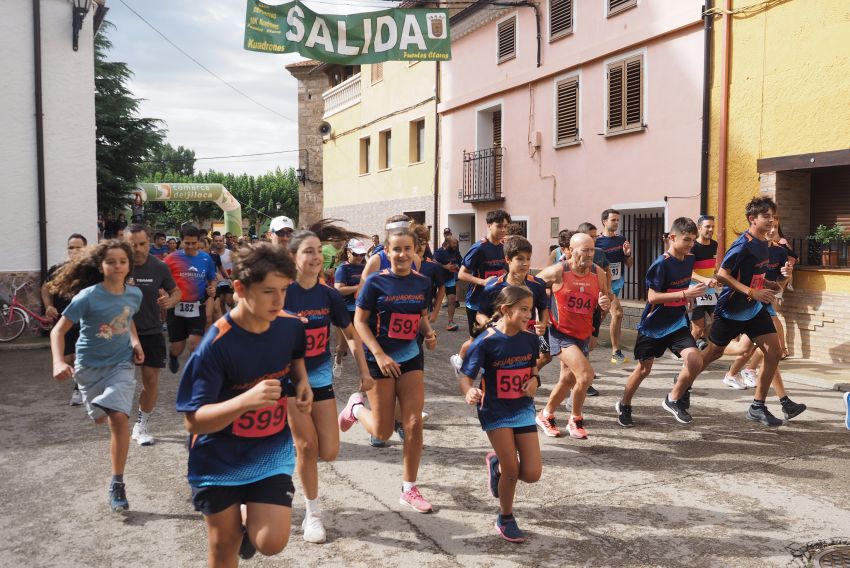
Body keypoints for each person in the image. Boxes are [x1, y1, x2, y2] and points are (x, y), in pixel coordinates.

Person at [176, 244, 313, 565]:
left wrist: (302, 382)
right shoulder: (215, 345)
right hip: (217, 458)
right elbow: (194, 421)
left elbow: (295, 356)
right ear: (239, 288)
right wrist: (245, 402)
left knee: (272, 541)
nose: (279, 301)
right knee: (224, 545)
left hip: (270, 449)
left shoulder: (289, 325)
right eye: (268, 292)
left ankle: (248, 524)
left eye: (284, 290)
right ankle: (235, 523)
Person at [283, 222, 374, 544]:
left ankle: (351, 408)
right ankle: (312, 514)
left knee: (330, 451)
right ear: (293, 256)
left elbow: (351, 336)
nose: (316, 257)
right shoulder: (281, 292)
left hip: (320, 378)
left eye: (318, 251)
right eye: (308, 252)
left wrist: (363, 372)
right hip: (288, 380)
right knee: (306, 447)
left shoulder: (329, 296)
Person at [338, 224, 438, 513]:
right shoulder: (375, 283)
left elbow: (419, 315)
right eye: (397, 249)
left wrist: (429, 333)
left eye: (408, 248)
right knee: (382, 432)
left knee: (413, 423)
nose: (403, 254)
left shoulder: (421, 282)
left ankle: (409, 488)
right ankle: (355, 409)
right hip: (379, 357)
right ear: (386, 252)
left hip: (410, 356)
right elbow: (359, 322)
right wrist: (379, 355)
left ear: (414, 250)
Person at [49, 240, 144, 512]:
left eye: (122, 261)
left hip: (121, 364)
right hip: (89, 368)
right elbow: (58, 331)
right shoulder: (88, 296)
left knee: (118, 417)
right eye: (111, 261)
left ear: (129, 265)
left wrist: (135, 342)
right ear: (101, 266)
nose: (117, 266)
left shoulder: (134, 295)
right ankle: (99, 406)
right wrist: (58, 361)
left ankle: (117, 482)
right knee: (101, 418)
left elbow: (128, 320)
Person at [697, 197, 795, 426]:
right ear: (753, 219)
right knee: (714, 353)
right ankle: (685, 379)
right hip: (732, 307)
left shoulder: (769, 247)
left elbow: (775, 283)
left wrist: (781, 278)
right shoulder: (743, 244)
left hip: (755, 307)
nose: (772, 221)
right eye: (767, 217)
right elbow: (722, 274)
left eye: (773, 217)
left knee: (774, 351)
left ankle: (758, 406)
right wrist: (752, 292)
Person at [458, 286, 541, 543]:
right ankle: (505, 517)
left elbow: (533, 368)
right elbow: (466, 376)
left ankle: (495, 464)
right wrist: (468, 391)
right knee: (513, 470)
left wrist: (535, 381)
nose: (529, 314)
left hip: (522, 408)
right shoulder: (486, 341)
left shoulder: (530, 339)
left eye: (531, 309)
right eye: (524, 309)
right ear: (506, 310)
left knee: (532, 473)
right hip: (495, 411)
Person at [615, 218, 707, 427]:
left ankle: (672, 399)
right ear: (672, 238)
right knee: (643, 370)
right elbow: (653, 297)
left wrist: (688, 298)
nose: (691, 244)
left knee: (695, 360)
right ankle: (624, 404)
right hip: (653, 326)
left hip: (677, 323)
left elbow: (683, 285)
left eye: (693, 240)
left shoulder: (689, 259)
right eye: (687, 240)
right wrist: (686, 292)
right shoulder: (661, 264)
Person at [535, 233, 611, 439]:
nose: (589, 254)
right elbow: (532, 287)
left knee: (567, 380)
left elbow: (604, 299)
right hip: (560, 333)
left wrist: (604, 304)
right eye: (584, 250)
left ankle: (546, 414)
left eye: (592, 250)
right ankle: (575, 419)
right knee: (585, 375)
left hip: (582, 335)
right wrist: (541, 316)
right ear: (571, 250)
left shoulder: (598, 273)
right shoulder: (559, 271)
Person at [125, 225, 182, 446]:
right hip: (120, 334)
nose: (138, 249)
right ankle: (118, 423)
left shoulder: (159, 267)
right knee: (120, 384)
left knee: (150, 382)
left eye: (142, 244)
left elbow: (176, 291)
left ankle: (141, 426)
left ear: (148, 242)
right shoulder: (118, 265)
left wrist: (170, 301)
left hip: (151, 332)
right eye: (133, 244)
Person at [474, 236, 551, 372]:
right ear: (508, 259)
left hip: (528, 338)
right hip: (502, 340)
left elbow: (543, 308)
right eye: (520, 259)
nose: (525, 264)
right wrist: (491, 325)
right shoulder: (493, 286)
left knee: (539, 362)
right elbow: (480, 314)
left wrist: (543, 324)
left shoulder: (538, 284)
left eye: (528, 259)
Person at [42, 233, 88, 405]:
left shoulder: (92, 271)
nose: (74, 250)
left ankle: (79, 389)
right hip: (64, 321)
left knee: (81, 356)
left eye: (78, 247)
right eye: (71, 247)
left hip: (85, 322)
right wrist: (49, 306)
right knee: (67, 359)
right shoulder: (57, 269)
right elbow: (46, 289)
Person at [165, 225, 217, 374]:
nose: (190, 246)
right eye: (187, 243)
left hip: (196, 306)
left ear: (199, 242)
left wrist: (212, 288)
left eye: (194, 243)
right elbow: (161, 278)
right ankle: (173, 355)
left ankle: (193, 372)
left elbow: (212, 279)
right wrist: (163, 292)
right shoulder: (171, 259)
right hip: (176, 307)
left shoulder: (206, 258)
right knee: (178, 347)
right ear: (181, 241)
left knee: (194, 344)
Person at [457, 209, 511, 338]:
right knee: (476, 339)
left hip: (496, 300)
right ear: (489, 225)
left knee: (494, 336)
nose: (503, 230)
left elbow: (505, 270)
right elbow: (461, 274)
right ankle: (461, 357)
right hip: (476, 301)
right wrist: (484, 282)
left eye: (505, 227)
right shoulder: (479, 248)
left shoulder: (504, 246)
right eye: (499, 226)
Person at [596, 208, 633, 364]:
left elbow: (629, 265)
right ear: (604, 221)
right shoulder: (597, 241)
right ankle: (615, 352)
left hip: (617, 283)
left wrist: (627, 254)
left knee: (598, 319)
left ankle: (586, 344)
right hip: (603, 285)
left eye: (618, 220)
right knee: (617, 313)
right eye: (613, 220)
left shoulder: (621, 240)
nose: (616, 222)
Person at [690, 216, 719, 349]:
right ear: (699, 228)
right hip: (696, 290)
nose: (711, 229)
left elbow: (712, 265)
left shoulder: (714, 244)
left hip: (711, 291)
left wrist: (717, 277)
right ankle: (686, 355)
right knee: (697, 329)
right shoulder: (692, 247)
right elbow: (688, 272)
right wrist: (705, 280)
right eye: (707, 226)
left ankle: (702, 341)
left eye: (712, 226)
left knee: (718, 321)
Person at [433, 235, 462, 331]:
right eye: (453, 243)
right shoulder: (439, 252)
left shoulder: (455, 251)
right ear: (446, 244)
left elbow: (461, 261)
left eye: (456, 243)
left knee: (452, 299)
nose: (455, 245)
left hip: (450, 279)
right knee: (432, 301)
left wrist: (458, 266)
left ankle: (450, 322)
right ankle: (427, 320)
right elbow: (433, 262)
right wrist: (445, 267)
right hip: (438, 280)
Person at [210, 233, 235, 320]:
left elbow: (237, 265)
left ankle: (233, 314)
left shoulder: (230, 253)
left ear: (223, 242)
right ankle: (227, 320)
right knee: (221, 302)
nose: (218, 242)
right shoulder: (212, 254)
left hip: (228, 280)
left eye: (220, 241)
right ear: (213, 242)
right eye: (216, 241)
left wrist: (232, 277)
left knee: (229, 301)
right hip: (217, 281)